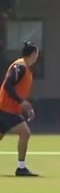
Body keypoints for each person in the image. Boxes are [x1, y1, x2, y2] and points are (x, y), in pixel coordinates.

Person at [0, 42, 41, 177]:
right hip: (6, 109)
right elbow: (7, 84)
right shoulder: (20, 66)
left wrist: (24, 106)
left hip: (7, 109)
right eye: (37, 53)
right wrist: (21, 101)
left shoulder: (26, 69)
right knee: (25, 133)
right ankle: (21, 167)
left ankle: (21, 167)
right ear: (33, 54)